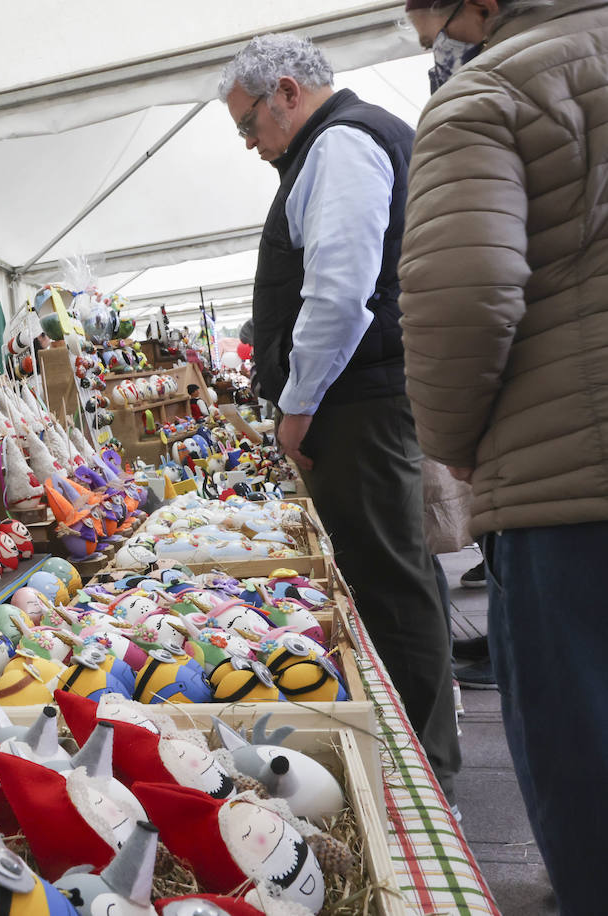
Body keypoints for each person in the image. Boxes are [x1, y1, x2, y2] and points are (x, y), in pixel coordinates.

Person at [400, 0, 608, 909]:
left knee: (587, 763)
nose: (427, 41)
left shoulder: (488, 94)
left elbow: (462, 298)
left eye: (424, 16)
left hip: (570, 485)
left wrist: (451, 448)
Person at [218, 35, 460, 795]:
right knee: (400, 573)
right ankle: (427, 754)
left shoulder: (342, 145)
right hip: (368, 397)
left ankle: (423, 772)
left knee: (390, 583)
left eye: (249, 125)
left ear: (286, 91)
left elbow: (338, 289)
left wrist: (297, 405)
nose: (252, 147)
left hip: (359, 403)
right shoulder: (342, 142)